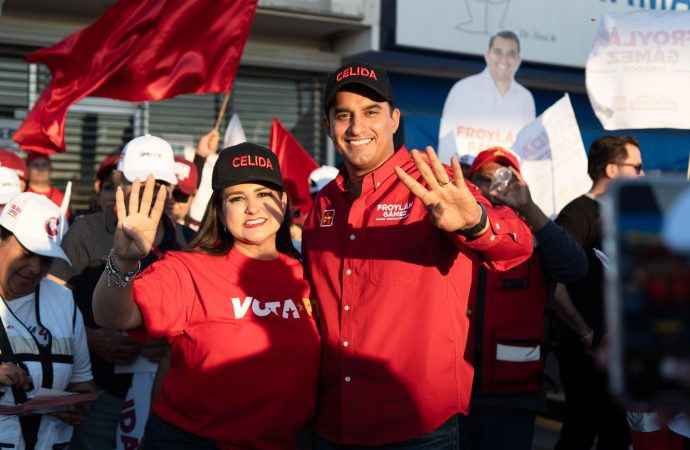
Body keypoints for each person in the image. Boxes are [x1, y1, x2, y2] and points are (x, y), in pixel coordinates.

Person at [302, 61, 533, 448]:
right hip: (333, 424)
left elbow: (518, 248)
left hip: (418, 430)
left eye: (371, 112)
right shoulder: (323, 204)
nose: (357, 128)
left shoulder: (437, 183)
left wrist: (475, 223)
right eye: (344, 115)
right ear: (328, 126)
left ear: (394, 119)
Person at [92, 142, 320, 449]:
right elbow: (113, 315)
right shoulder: (187, 269)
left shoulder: (310, 275)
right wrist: (122, 261)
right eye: (237, 198)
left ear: (282, 201)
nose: (253, 207)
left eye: (263, 194)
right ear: (220, 210)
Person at [48, 135, 195, 450]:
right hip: (99, 390)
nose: (147, 192)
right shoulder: (86, 231)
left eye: (158, 185)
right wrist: (91, 337)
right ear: (119, 182)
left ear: (170, 189)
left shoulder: (189, 241)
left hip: (167, 396)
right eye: (137, 182)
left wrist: (169, 344)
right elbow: (50, 302)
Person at [460, 147, 587, 450]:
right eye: (484, 179)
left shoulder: (533, 241)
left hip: (514, 401)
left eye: (504, 180)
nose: (493, 188)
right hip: (452, 399)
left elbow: (575, 268)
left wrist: (528, 207)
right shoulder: (452, 233)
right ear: (470, 181)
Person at [553, 135, 645, 450]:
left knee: (619, 434)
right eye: (637, 166)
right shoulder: (577, 214)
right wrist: (585, 334)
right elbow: (556, 285)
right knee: (580, 430)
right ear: (613, 170)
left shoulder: (632, 216)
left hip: (624, 349)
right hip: (587, 351)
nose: (643, 175)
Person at [0, 192, 95, 449]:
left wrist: (79, 405)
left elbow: (83, 381)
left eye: (46, 260)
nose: (35, 268)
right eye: (27, 253)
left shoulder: (64, 301)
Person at [438, 30, 536, 164]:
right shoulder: (462, 90)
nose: (503, 59)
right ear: (487, 55)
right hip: (466, 179)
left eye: (511, 54)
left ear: (518, 60)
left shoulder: (526, 99)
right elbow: (447, 149)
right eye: (498, 52)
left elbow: (527, 154)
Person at [167, 156, 199, 228]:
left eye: (180, 195)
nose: (170, 200)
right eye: (165, 193)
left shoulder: (202, 234)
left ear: (194, 197)